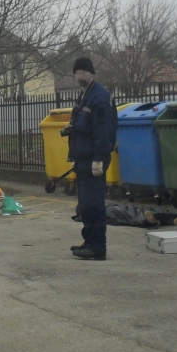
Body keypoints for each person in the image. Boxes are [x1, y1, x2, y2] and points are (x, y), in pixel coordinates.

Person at [67, 57, 117, 261]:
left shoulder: (99, 97)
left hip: (93, 159)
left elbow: (103, 131)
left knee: (94, 203)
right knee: (85, 204)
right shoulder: (85, 96)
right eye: (77, 73)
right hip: (83, 158)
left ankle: (97, 246)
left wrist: (99, 159)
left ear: (91, 73)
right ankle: (89, 242)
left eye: (83, 72)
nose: (80, 76)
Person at [105, 204, 177, 229]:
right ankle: (172, 219)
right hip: (104, 211)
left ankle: (172, 219)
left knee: (131, 211)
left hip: (103, 210)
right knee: (127, 213)